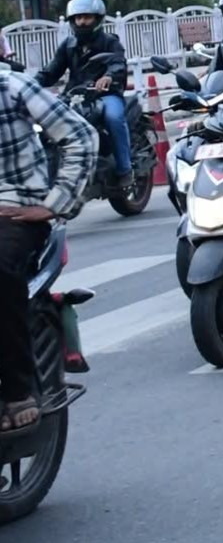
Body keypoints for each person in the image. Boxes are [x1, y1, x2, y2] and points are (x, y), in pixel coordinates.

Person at [0, 67, 95, 434]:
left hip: (14, 211)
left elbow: (80, 135)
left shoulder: (12, 86)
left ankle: (18, 390)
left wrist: (54, 203)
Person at [35, 0, 131, 188]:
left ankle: (125, 168)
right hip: (76, 95)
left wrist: (108, 77)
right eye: (78, 18)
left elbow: (118, 63)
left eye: (87, 17)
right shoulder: (68, 45)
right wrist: (28, 84)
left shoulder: (110, 42)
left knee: (113, 118)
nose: (82, 22)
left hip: (106, 94)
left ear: (98, 19)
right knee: (46, 122)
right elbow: (52, 71)